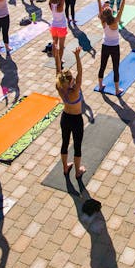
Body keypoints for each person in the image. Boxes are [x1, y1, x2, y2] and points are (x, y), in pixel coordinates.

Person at [56, 46, 86, 177]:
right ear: (70, 80)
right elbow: (80, 71)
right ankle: (78, 171)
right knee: (77, 146)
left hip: (65, 118)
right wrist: (77, 56)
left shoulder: (60, 88)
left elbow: (58, 72)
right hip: (76, 119)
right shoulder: (75, 91)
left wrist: (57, 57)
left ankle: (65, 167)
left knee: (65, 142)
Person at [95, 0, 128, 96]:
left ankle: (100, 86)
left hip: (105, 46)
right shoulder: (115, 21)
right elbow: (121, 9)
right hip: (114, 47)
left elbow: (100, 5)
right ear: (111, 13)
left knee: (102, 66)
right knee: (116, 68)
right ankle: (117, 89)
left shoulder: (103, 21)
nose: (108, 6)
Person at [50, 0, 68, 69]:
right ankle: (59, 61)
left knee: (55, 43)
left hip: (53, 27)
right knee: (61, 46)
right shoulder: (60, 6)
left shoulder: (51, 5)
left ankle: (56, 59)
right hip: (61, 27)